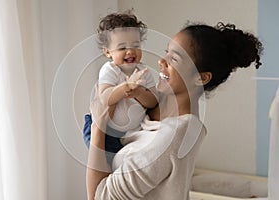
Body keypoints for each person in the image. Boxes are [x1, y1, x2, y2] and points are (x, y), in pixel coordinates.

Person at [86, 22, 263, 200]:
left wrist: (98, 127)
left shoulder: (174, 136)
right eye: (166, 52)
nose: (161, 61)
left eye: (175, 59)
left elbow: (100, 197)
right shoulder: (148, 105)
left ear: (201, 78)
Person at [83, 12, 158, 165]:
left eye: (135, 46)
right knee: (105, 166)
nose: (130, 51)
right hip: (106, 131)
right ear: (108, 52)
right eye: (122, 47)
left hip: (129, 132)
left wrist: (137, 92)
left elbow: (153, 101)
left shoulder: (144, 72)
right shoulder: (110, 70)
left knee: (126, 165)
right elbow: (105, 98)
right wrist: (126, 87)